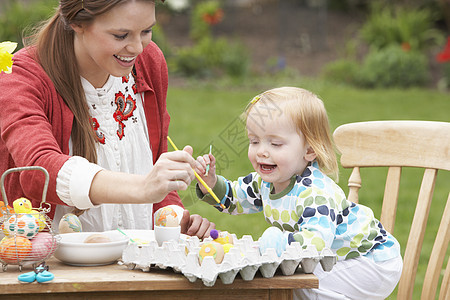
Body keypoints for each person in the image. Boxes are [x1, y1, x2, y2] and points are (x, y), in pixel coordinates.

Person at [0, 0, 214, 238]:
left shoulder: (149, 63)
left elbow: (153, 166)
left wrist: (173, 219)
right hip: (49, 267)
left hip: (135, 266)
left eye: (146, 31)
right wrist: (143, 187)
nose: (137, 48)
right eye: (121, 35)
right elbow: (39, 170)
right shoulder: (20, 77)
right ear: (77, 22)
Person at [194, 87, 403, 299]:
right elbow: (234, 199)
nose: (261, 151)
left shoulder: (315, 193)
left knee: (300, 285)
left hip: (371, 261)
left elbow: (315, 242)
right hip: (340, 258)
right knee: (287, 279)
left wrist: (279, 243)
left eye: (275, 143)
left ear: (309, 150)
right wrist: (209, 183)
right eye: (254, 141)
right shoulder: (264, 183)